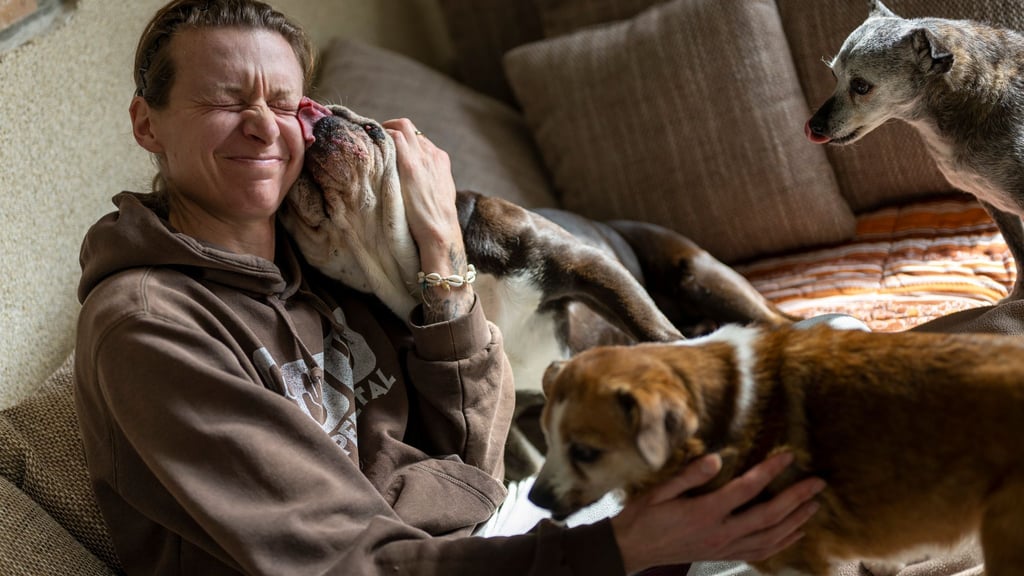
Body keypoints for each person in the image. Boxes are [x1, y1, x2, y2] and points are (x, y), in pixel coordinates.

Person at [73, 1, 826, 575]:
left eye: (281, 102)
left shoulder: (324, 266)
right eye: (225, 100)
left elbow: (473, 455)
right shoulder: (150, 327)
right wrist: (618, 552)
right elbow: (350, 564)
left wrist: (440, 244)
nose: (263, 128)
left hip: (481, 546)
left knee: (804, 467)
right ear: (148, 124)